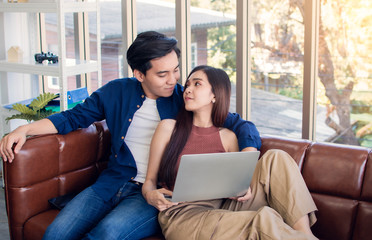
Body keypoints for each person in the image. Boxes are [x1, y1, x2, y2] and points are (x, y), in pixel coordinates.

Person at [0, 32, 261, 240]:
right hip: (111, 182)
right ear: (139, 74)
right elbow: (72, 117)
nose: (174, 80)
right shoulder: (116, 92)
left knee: (107, 235)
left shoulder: (187, 100)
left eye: (176, 69)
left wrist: (247, 158)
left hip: (154, 193)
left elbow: (242, 125)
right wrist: (25, 128)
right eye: (162, 74)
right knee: (55, 234)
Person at [142, 65, 318, 240]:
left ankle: (305, 234)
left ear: (215, 95)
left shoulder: (228, 137)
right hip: (184, 216)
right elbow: (149, 181)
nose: (187, 89)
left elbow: (236, 184)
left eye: (197, 84)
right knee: (263, 219)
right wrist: (150, 195)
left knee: (276, 157)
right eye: (187, 84)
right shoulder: (168, 128)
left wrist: (242, 188)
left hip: (223, 208)